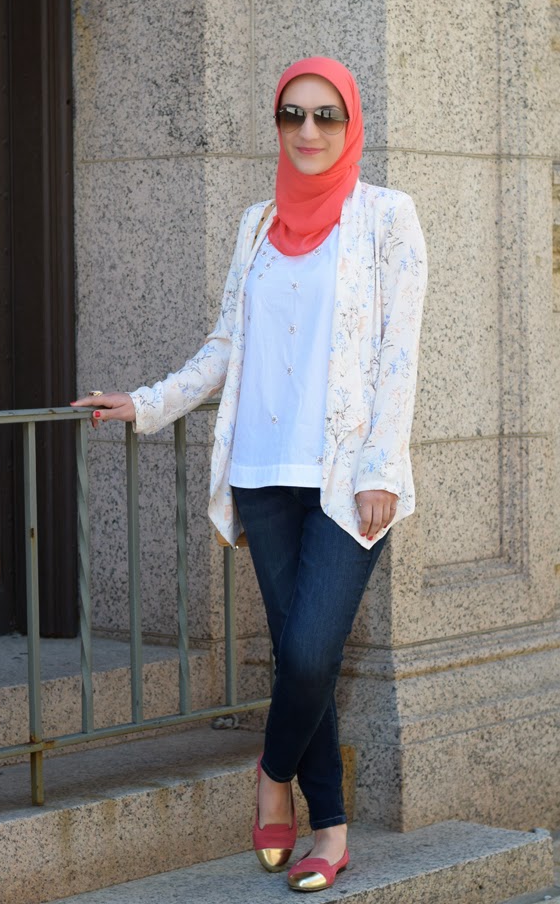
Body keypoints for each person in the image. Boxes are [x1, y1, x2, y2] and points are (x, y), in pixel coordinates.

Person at [71, 56, 427, 893]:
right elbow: (227, 344)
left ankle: (273, 771)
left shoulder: (387, 218)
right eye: (291, 115)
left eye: (326, 115)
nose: (308, 130)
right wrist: (147, 403)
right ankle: (330, 830)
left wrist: (380, 466)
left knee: (309, 652)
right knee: (306, 659)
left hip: (346, 478)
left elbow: (398, 355)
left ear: (352, 125)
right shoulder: (257, 224)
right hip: (263, 473)